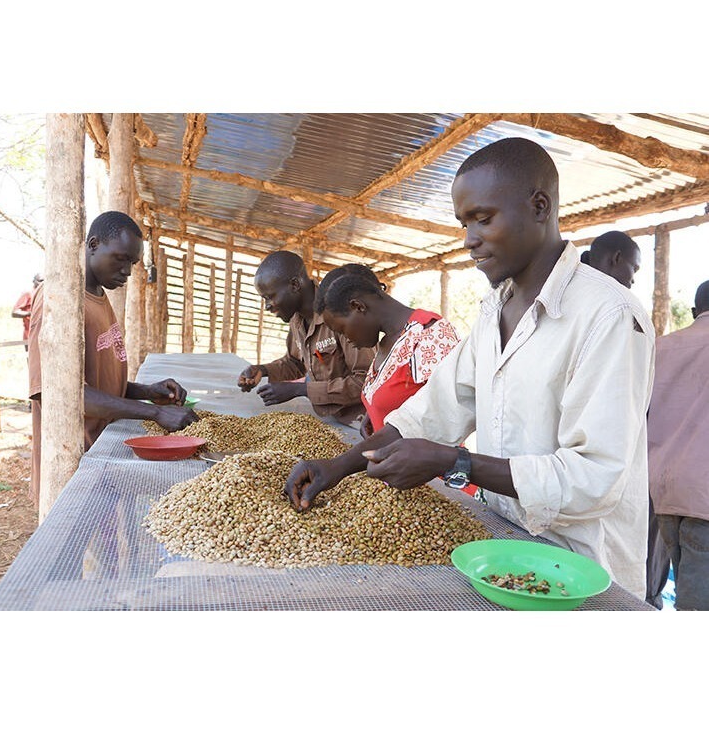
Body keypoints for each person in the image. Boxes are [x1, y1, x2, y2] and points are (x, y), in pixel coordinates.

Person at [284, 137, 655, 599]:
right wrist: (339, 466)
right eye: (464, 223)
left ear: (540, 207)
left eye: (483, 218)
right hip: (504, 548)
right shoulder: (493, 311)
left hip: (583, 576)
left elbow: (594, 479)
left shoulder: (610, 316)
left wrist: (455, 462)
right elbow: (431, 413)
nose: (469, 240)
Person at [27, 211, 199, 507]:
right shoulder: (60, 299)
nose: (128, 272)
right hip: (74, 462)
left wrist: (146, 392)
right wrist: (155, 414)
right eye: (120, 259)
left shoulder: (98, 294)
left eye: (132, 263)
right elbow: (61, 393)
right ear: (93, 244)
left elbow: (95, 379)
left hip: (101, 452)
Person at [581, 229, 669, 609]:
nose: (631, 280)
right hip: (599, 486)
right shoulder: (620, 310)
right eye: (632, 271)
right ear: (615, 258)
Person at [315, 263, 461, 439]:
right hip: (392, 464)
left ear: (358, 306)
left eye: (342, 330)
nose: (345, 339)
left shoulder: (429, 335)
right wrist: (374, 411)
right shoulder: (386, 342)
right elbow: (399, 396)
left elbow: (448, 419)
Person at [237, 250, 375, 427]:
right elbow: (295, 362)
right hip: (330, 417)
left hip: (361, 422)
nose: (267, 306)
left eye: (269, 297)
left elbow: (367, 383)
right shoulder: (296, 319)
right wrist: (262, 370)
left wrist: (300, 389)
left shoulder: (340, 312)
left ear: (294, 285)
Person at [647, 280, 709, 610]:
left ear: (695, 312)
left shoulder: (660, 347)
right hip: (705, 499)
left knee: (683, 586)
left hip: (663, 491)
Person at [12, 273, 44, 345]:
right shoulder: (28, 293)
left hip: (42, 335)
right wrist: (31, 313)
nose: (42, 284)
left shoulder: (46, 293)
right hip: (29, 335)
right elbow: (14, 312)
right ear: (34, 281)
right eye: (40, 281)